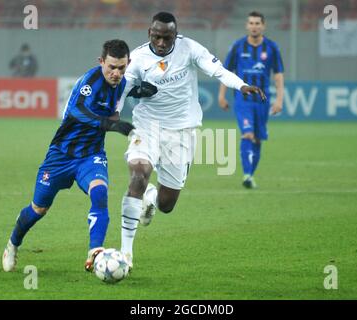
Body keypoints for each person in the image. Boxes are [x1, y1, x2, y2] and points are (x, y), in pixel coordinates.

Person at [115, 12, 266, 268]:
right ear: (149, 34)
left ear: (176, 35)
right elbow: (121, 91)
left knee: (166, 205)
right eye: (157, 37)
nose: (161, 43)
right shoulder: (138, 59)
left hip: (182, 131)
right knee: (139, 174)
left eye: (167, 37)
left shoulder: (189, 48)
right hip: (147, 127)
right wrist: (114, 117)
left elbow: (217, 70)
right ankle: (126, 254)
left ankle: (150, 198)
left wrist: (241, 85)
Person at [2, 40, 155, 273]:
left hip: (91, 155)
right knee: (38, 209)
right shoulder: (90, 82)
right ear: (101, 61)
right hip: (61, 155)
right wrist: (108, 124)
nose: (116, 73)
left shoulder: (120, 82)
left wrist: (137, 90)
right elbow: (76, 111)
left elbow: (120, 90)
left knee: (100, 191)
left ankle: (94, 251)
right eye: (111, 67)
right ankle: (12, 244)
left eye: (121, 68)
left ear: (128, 64)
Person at [218, 11, 285, 189]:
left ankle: (250, 174)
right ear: (247, 26)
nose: (254, 26)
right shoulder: (238, 47)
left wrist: (279, 100)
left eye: (257, 23)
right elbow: (226, 72)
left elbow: (278, 75)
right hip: (243, 98)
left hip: (262, 100)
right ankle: (246, 175)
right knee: (247, 134)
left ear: (263, 26)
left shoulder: (272, 48)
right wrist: (222, 95)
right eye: (251, 23)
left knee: (257, 139)